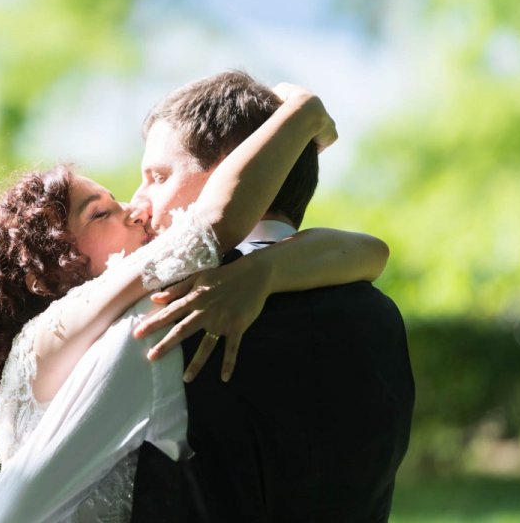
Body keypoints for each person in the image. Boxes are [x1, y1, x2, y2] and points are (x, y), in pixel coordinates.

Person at [0, 81, 389, 521]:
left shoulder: (150, 320)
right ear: (54, 268)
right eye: (101, 212)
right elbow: (210, 226)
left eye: (157, 177)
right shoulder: (66, 331)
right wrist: (300, 112)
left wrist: (263, 270)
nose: (137, 206)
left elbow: (372, 250)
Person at [126, 70, 415, 521]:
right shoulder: (380, 312)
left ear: (243, 168)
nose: (136, 200)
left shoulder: (173, 302)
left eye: (158, 176)